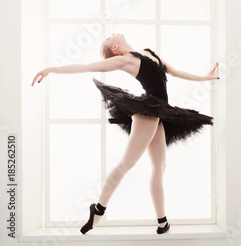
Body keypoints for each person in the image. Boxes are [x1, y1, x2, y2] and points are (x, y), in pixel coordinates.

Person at [32, 33, 218, 234]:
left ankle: (162, 222)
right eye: (108, 38)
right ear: (114, 48)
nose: (111, 35)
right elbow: (86, 67)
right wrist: (51, 69)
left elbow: (174, 71)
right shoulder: (124, 61)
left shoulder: (148, 53)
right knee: (126, 164)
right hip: (147, 112)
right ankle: (98, 210)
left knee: (159, 167)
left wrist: (205, 78)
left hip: (158, 112)